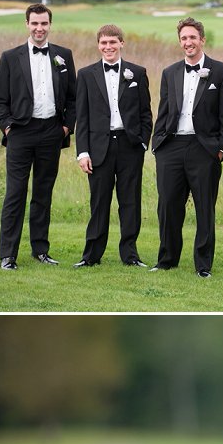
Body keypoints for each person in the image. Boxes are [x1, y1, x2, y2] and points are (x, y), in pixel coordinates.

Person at [150, 17, 223, 278]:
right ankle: (167, 259)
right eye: (184, 39)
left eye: (192, 38)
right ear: (180, 42)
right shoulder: (169, 72)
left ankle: (203, 265)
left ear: (202, 40)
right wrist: (158, 145)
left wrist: (221, 149)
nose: (188, 42)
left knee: (204, 207)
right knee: (167, 206)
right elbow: (163, 111)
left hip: (204, 149)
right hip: (171, 147)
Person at [0, 3, 76, 269]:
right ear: (27, 24)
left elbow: (73, 98)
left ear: (50, 25)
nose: (39, 28)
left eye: (44, 23)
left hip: (51, 131)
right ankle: (8, 255)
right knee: (15, 193)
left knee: (43, 193)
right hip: (20, 133)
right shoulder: (10, 57)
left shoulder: (64, 55)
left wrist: (65, 127)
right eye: (35, 23)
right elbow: (0, 101)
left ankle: (40, 250)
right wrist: (8, 128)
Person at [73, 24, 153, 268]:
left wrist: (141, 143)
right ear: (99, 45)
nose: (108, 47)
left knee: (130, 202)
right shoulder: (86, 75)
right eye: (104, 43)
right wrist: (82, 152)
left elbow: (145, 113)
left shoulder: (137, 73)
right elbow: (82, 117)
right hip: (99, 147)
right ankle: (91, 256)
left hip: (129, 147)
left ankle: (130, 255)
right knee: (99, 202)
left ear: (122, 43)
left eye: (113, 42)